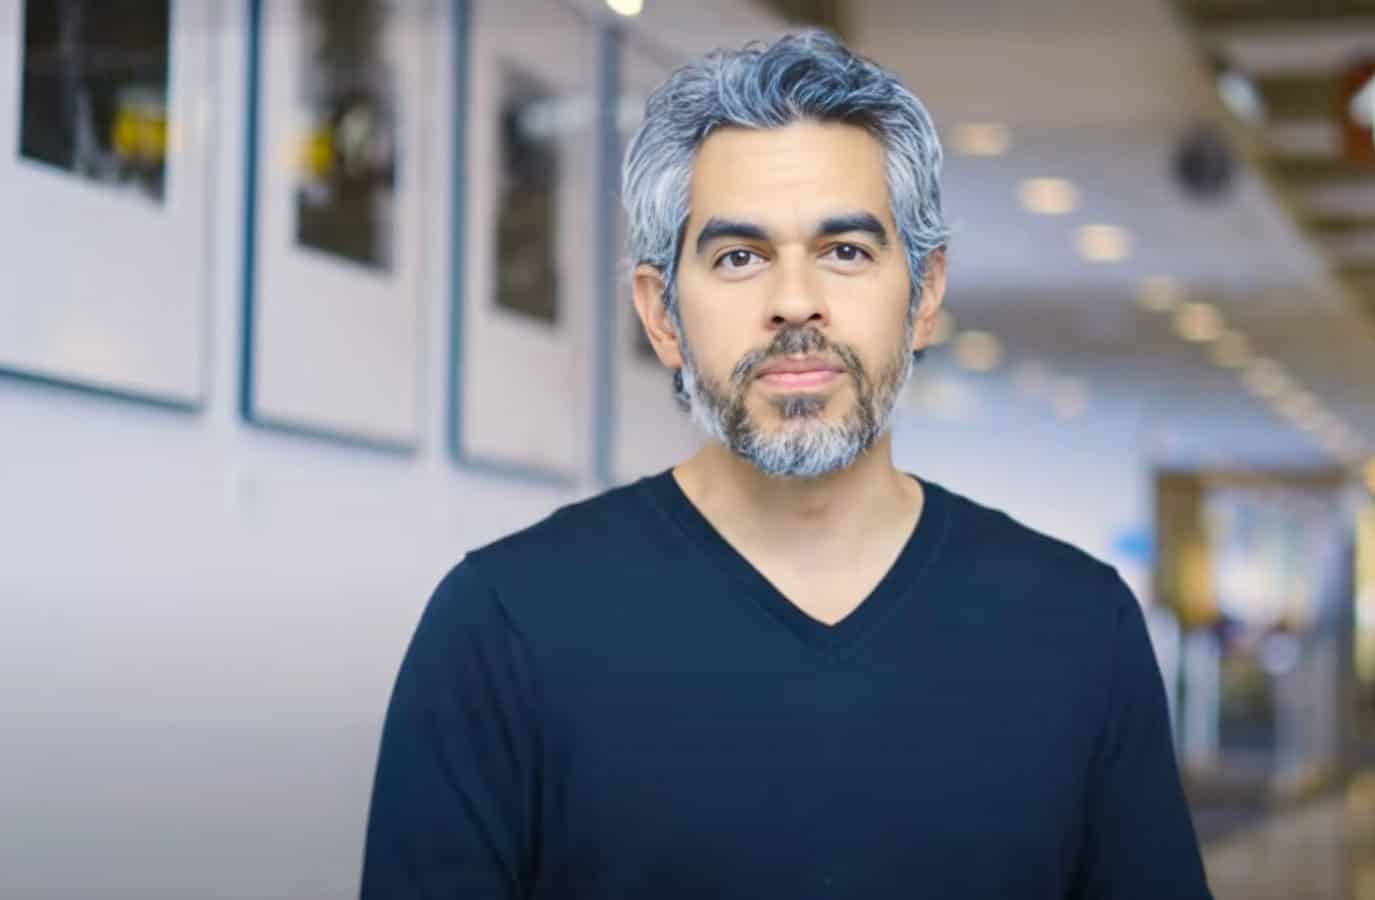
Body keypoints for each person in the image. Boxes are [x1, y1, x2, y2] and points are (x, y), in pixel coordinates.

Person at [359, 31, 1212, 899]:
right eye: (739, 257)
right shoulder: (503, 627)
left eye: (846, 251)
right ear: (662, 317)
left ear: (924, 296)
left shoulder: (1077, 630)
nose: (794, 301)